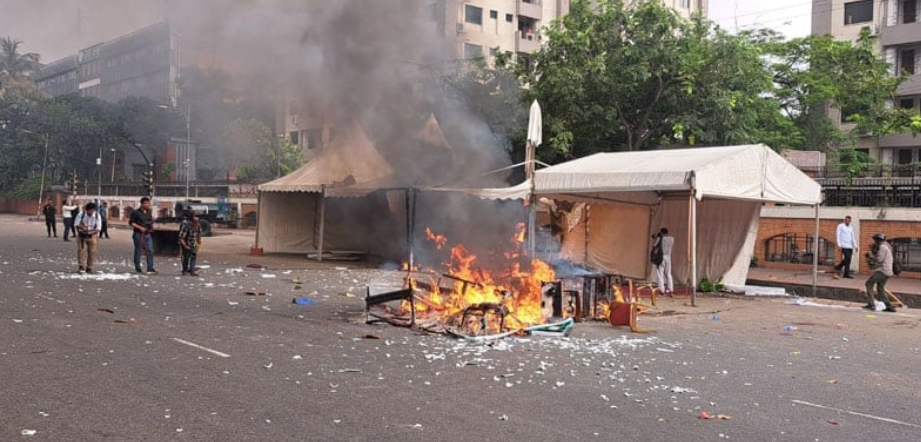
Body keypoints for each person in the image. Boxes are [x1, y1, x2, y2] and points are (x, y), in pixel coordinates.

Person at [864, 233, 896, 313]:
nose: (874, 242)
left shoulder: (882, 247)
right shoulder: (887, 246)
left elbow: (880, 260)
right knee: (880, 288)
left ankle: (871, 304)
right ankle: (889, 306)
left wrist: (871, 256)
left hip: (883, 270)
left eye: (875, 240)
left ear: (878, 240)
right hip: (888, 271)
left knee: (869, 283)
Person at [130, 197, 157, 274]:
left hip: (147, 233)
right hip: (138, 234)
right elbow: (131, 223)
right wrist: (140, 227)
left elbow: (150, 220)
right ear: (141, 204)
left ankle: (150, 268)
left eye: (148, 203)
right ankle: (138, 267)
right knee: (138, 250)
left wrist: (151, 223)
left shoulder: (149, 212)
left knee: (150, 250)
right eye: (145, 203)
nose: (147, 204)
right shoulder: (135, 213)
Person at [75, 202, 101, 274]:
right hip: (81, 235)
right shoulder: (81, 214)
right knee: (81, 250)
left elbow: (98, 228)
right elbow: (76, 224)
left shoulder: (97, 215)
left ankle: (89, 267)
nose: (90, 212)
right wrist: (82, 227)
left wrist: (90, 233)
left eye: (92, 210)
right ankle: (81, 266)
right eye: (89, 211)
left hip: (92, 235)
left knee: (92, 251)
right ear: (86, 210)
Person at [178, 206, 202, 276]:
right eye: (194, 216)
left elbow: (198, 234)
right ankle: (184, 270)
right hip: (185, 242)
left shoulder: (197, 224)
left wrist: (199, 243)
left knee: (193, 256)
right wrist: (185, 246)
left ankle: (192, 271)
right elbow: (181, 237)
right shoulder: (185, 223)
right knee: (186, 257)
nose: (196, 218)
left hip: (193, 243)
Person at [653, 227, 675, 296]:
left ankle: (662, 290)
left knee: (660, 274)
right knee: (668, 274)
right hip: (668, 257)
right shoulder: (672, 239)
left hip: (661, 257)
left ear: (661, 232)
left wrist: (657, 237)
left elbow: (654, 245)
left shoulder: (660, 238)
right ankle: (670, 289)